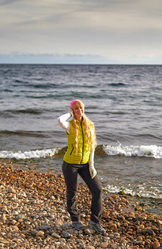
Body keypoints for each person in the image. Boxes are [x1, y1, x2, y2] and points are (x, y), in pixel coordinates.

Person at [57, 99, 105, 234]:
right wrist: (70, 114)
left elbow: (92, 147)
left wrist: (92, 165)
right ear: (72, 111)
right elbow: (59, 119)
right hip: (70, 164)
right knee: (72, 192)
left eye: (81, 108)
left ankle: (95, 222)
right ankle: (75, 220)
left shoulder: (89, 125)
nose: (80, 111)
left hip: (85, 164)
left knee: (97, 190)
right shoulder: (69, 125)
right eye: (76, 109)